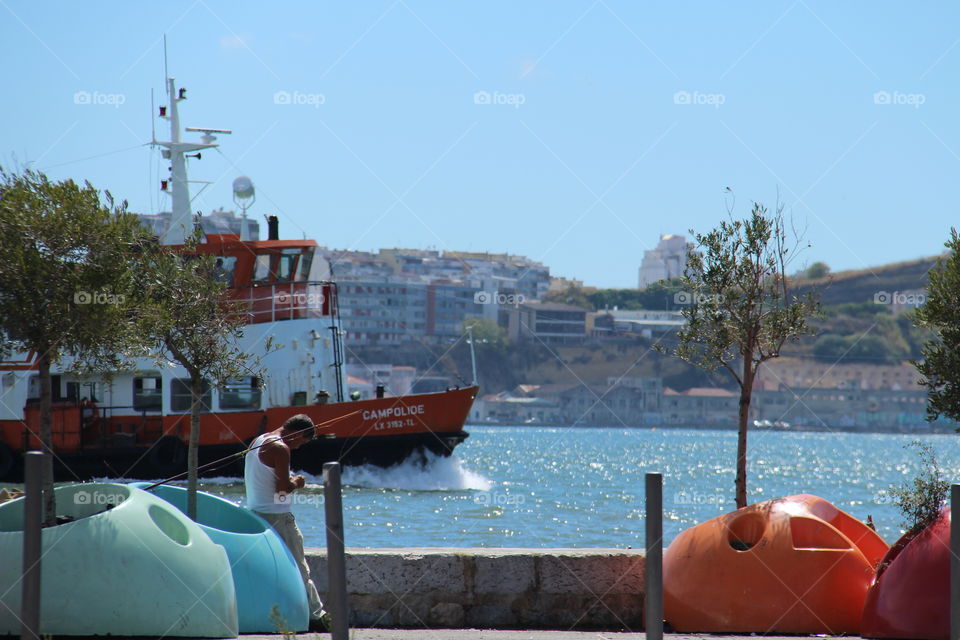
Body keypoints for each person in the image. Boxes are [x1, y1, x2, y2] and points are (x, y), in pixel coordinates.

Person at [244, 414, 327, 630]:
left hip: (256, 513)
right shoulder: (281, 448)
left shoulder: (259, 440)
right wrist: (297, 483)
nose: (298, 447)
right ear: (297, 433)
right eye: (301, 442)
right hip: (278, 517)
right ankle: (317, 617)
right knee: (299, 568)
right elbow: (281, 492)